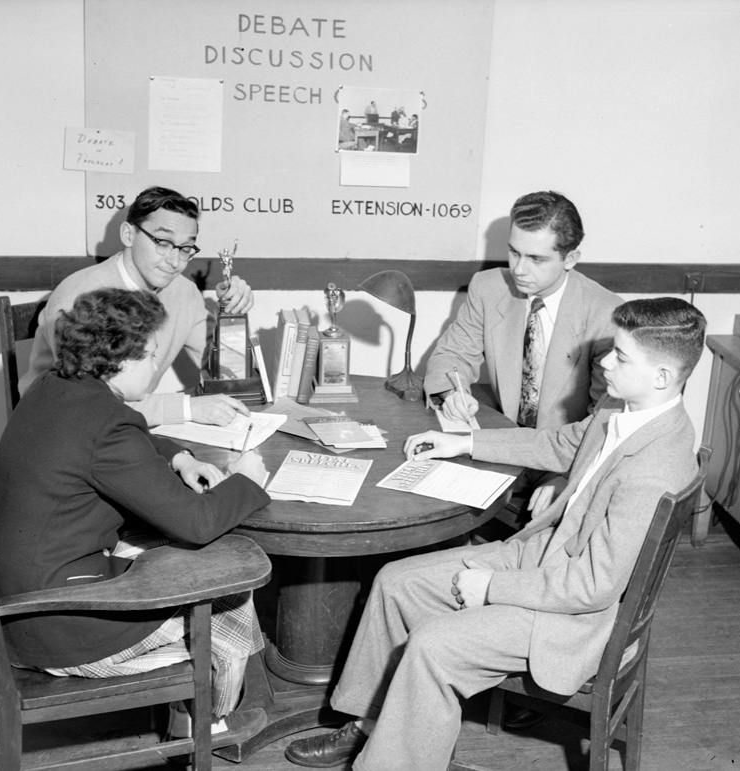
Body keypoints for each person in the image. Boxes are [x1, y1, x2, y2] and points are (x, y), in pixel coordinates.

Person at [283, 297, 706, 770]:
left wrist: (491, 588)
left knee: (431, 648)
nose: (604, 362)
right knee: (393, 583)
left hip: (572, 617)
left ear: (663, 376)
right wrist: (463, 441)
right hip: (545, 558)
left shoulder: (654, 470)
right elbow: (562, 443)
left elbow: (593, 587)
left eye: (621, 356)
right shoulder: (623, 409)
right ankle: (372, 725)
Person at [0, 288, 272, 746]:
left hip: (14, 610)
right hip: (59, 629)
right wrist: (248, 479)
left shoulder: (56, 387)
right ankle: (209, 723)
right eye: (151, 354)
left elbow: (120, 434)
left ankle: (191, 712)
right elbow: (197, 524)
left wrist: (179, 458)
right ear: (119, 360)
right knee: (229, 583)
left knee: (168, 551)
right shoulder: (107, 423)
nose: (156, 365)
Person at [19, 186, 255, 428]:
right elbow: (91, 403)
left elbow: (225, 373)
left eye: (185, 248)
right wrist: (187, 408)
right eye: (162, 242)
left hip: (126, 426)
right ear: (128, 235)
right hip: (58, 427)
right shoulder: (79, 299)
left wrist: (231, 317)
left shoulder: (183, 291)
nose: (174, 262)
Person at [423, 190, 622, 431]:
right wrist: (453, 395)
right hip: (504, 435)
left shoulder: (607, 314)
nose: (519, 270)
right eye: (514, 253)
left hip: (565, 451)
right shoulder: (488, 288)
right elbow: (453, 355)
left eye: (536, 259)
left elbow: (602, 419)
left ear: (570, 259)